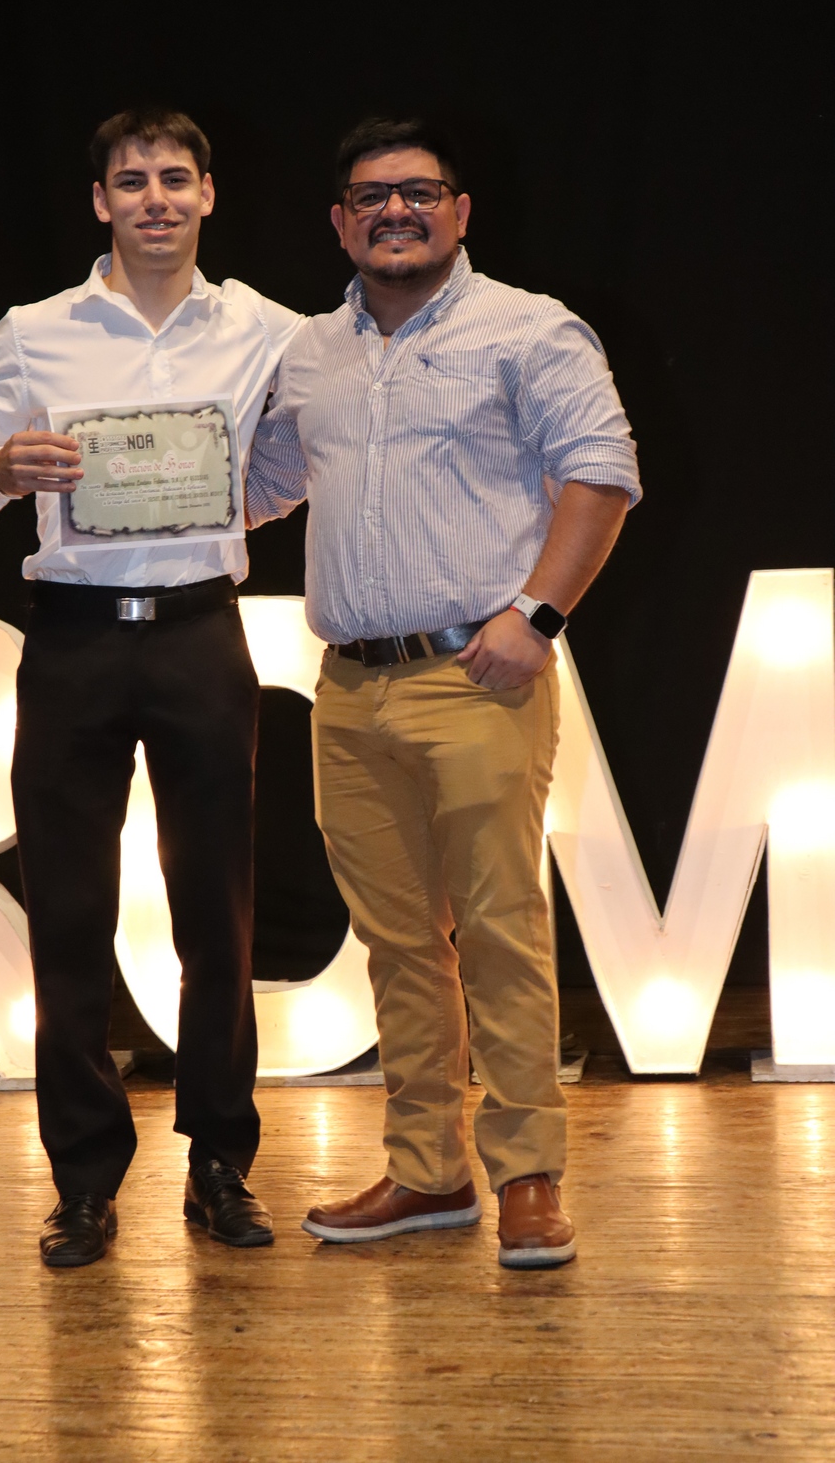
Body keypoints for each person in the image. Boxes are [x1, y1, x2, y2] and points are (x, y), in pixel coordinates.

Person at [247, 117, 641, 1268]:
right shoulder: (308, 353)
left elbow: (601, 474)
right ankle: (427, 1172)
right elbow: (261, 487)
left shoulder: (529, 329)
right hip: (347, 692)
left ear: (460, 213)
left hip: (477, 676)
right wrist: (121, 476)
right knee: (396, 945)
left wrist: (538, 617)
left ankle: (529, 1177)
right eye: (371, 197)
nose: (395, 212)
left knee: (501, 930)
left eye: (419, 192)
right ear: (340, 223)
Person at [0, 107, 301, 1267]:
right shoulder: (36, 331)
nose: (155, 199)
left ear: (208, 194)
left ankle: (220, 1164)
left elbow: (315, 438)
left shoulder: (266, 328)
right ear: (100, 201)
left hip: (200, 635)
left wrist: (249, 496)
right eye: (132, 181)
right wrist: (1, 466)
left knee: (218, 913)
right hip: (74, 644)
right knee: (70, 916)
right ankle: (84, 1182)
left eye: (175, 179)